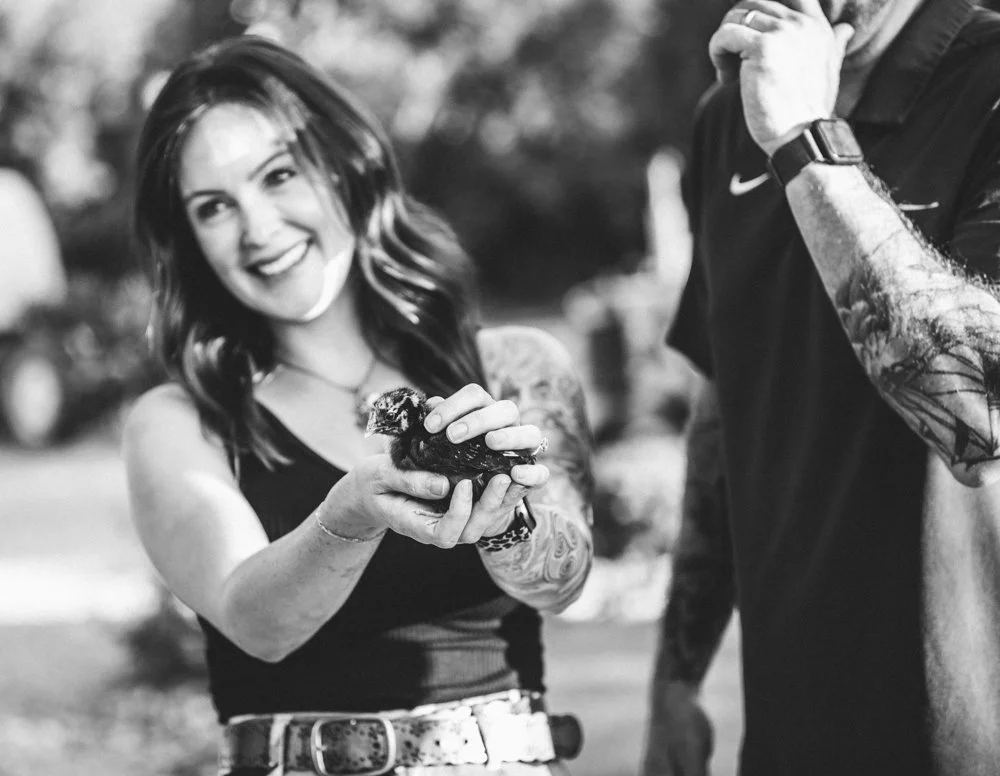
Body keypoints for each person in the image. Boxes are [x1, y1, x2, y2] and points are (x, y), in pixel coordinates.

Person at [123, 35, 594, 776]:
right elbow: (258, 622)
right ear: (188, 241)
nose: (258, 227)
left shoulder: (514, 368)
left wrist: (506, 524)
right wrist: (350, 516)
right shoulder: (179, 422)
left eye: (278, 175)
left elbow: (564, 580)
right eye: (214, 207)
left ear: (344, 165)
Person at [641, 0, 1000, 774]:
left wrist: (805, 141)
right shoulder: (726, 116)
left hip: (965, 737)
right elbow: (724, 406)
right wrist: (676, 679)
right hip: (787, 735)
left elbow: (979, 410)